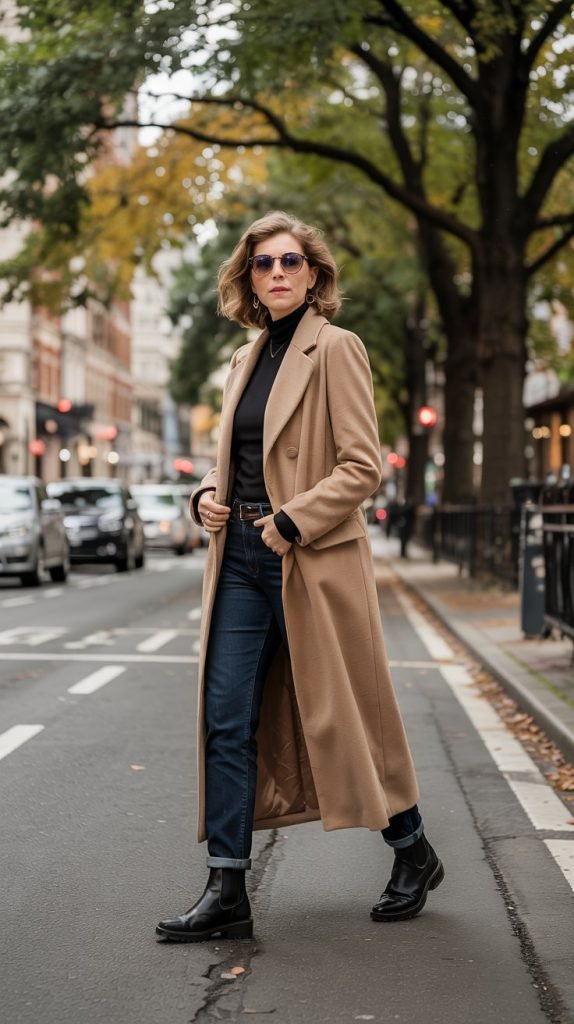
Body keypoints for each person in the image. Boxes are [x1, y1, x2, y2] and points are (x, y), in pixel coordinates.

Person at [156, 211, 444, 943]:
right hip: (241, 561)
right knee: (226, 718)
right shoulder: (244, 357)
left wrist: (291, 522)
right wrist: (205, 497)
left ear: (314, 274)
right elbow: (235, 461)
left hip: (306, 555)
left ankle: (413, 850)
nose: (277, 273)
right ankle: (228, 889)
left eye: (290, 261)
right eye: (263, 264)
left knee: (341, 716)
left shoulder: (336, 348)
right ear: (247, 277)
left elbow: (362, 466)